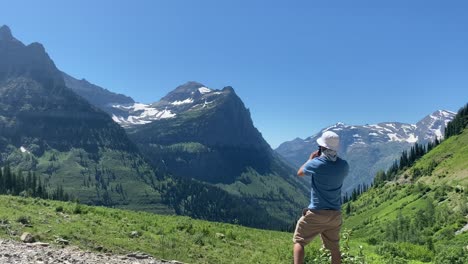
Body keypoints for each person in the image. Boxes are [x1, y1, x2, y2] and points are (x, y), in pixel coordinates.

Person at [292, 131, 349, 264]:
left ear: (322, 147)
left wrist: (310, 159)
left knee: (299, 242)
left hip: (316, 212)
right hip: (335, 215)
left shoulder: (316, 163)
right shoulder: (344, 166)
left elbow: (299, 173)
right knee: (334, 248)